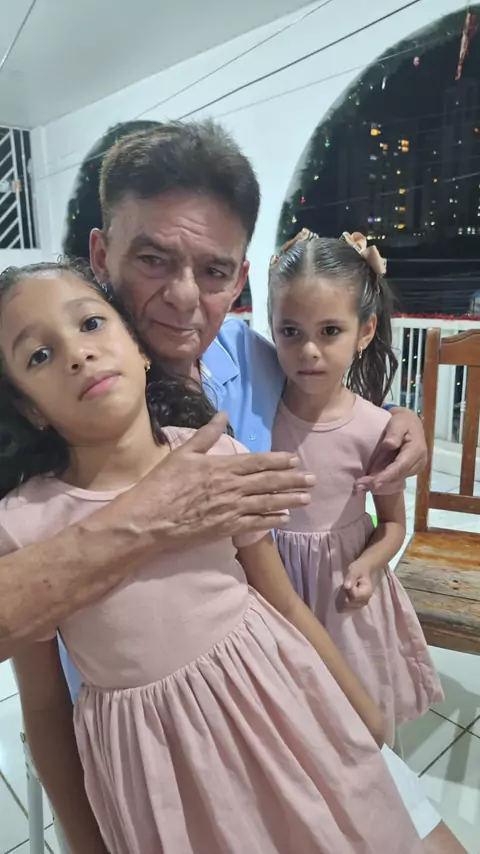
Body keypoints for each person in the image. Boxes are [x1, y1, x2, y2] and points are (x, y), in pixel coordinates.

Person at [2, 260, 423, 854]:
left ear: (139, 348)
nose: (77, 354)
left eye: (91, 323)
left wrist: (359, 706)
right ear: (30, 408)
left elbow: (282, 602)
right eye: (39, 355)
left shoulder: (217, 458)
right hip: (159, 766)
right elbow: (45, 709)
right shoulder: (23, 527)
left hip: (276, 708)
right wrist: (87, 840)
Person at [268, 229, 444, 750]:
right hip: (272, 584)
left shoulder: (375, 429)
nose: (309, 350)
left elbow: (391, 524)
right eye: (290, 331)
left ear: (364, 331)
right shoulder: (257, 413)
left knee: (358, 717)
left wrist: (366, 566)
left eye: (329, 331)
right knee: (293, 719)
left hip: (343, 593)